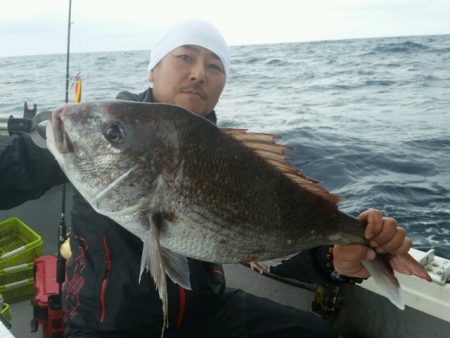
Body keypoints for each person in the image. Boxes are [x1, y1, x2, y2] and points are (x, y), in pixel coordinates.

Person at [0, 20, 412, 338]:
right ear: (152, 70)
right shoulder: (104, 137)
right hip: (106, 325)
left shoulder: (235, 156)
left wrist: (331, 259)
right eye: (185, 57)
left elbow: (268, 231)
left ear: (222, 85)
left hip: (207, 313)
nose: (199, 72)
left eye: (214, 66)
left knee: (315, 333)